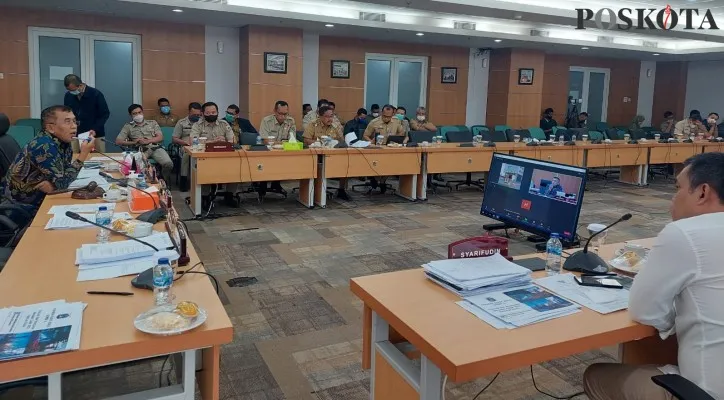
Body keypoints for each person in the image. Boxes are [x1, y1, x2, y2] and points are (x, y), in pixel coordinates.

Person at [583, 152, 724, 400]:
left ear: (702, 192)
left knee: (596, 375)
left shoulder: (685, 233)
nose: (672, 199)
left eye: (678, 188)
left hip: (704, 394)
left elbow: (645, 312)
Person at [0, 105, 95, 215]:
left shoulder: (63, 142)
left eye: (74, 121)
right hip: (21, 206)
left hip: (41, 198)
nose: (74, 126)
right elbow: (63, 183)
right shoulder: (44, 146)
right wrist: (83, 155)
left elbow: (64, 174)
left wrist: (54, 184)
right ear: (50, 128)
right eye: (67, 122)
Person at [191, 102, 237, 207]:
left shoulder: (224, 124)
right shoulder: (197, 125)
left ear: (217, 112)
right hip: (205, 157)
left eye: (213, 112)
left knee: (235, 167)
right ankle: (205, 197)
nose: (211, 114)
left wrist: (224, 140)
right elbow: (192, 141)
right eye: (208, 113)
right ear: (202, 114)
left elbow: (233, 140)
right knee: (204, 171)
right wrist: (212, 142)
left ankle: (229, 195)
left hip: (224, 156)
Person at [115, 104, 174, 181]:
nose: (138, 115)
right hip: (139, 150)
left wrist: (148, 141)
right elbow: (118, 141)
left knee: (168, 163)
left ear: (143, 112)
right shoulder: (128, 126)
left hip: (155, 148)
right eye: (134, 113)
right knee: (139, 167)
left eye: (139, 112)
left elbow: (160, 137)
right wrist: (134, 142)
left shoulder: (152, 123)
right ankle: (145, 182)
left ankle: (162, 179)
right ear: (130, 115)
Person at [302, 106, 350, 200]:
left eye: (331, 116)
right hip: (316, 155)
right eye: (327, 116)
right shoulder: (313, 124)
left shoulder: (335, 126)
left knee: (345, 163)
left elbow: (342, 142)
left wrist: (336, 143)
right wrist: (321, 142)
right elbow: (306, 140)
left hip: (332, 155)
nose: (330, 119)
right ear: (320, 116)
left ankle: (341, 190)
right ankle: (314, 191)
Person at [63, 74, 109, 152]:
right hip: (75, 134)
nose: (72, 92)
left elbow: (104, 114)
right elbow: (67, 113)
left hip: (95, 134)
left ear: (80, 85)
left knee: (97, 157)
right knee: (74, 157)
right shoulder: (68, 95)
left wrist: (95, 129)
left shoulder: (95, 94)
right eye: (69, 90)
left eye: (73, 90)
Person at [172, 102, 203, 190]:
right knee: (186, 154)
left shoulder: (202, 122)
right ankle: (184, 180)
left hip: (200, 145)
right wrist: (185, 143)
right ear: (189, 112)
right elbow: (174, 138)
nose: (196, 116)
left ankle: (204, 180)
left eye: (198, 114)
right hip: (185, 145)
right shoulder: (181, 122)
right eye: (194, 114)